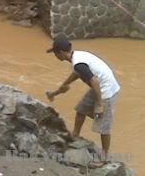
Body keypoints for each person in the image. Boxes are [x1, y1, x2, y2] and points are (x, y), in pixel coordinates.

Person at [46, 38, 121, 167]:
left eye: (55, 53)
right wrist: (64, 85)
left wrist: (99, 105)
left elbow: (95, 82)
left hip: (106, 91)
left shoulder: (79, 63)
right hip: (98, 87)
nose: (55, 56)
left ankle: (103, 159)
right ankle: (75, 135)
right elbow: (77, 73)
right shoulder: (78, 57)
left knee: (103, 127)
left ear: (62, 53)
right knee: (81, 109)